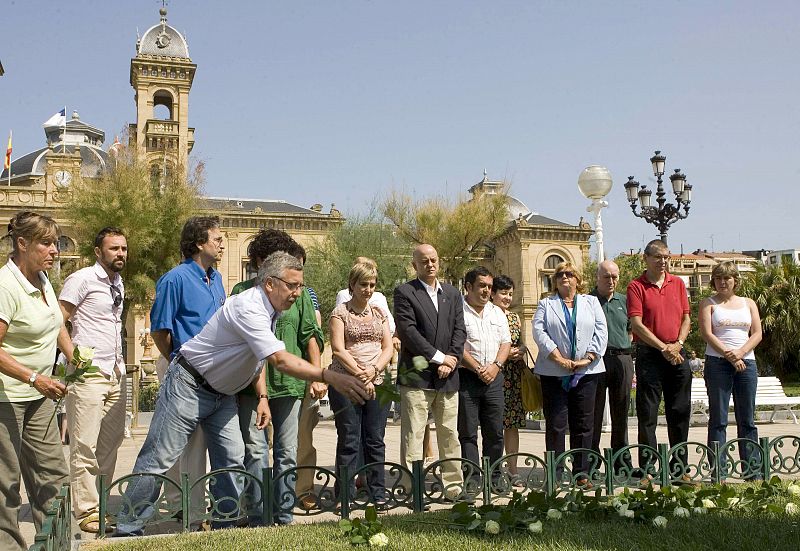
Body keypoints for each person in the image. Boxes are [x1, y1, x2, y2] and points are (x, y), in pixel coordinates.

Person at [116, 252, 370, 536]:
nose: (298, 293)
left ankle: (225, 524)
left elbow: (254, 358)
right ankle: (128, 525)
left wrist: (262, 397)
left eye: (300, 286)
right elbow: (279, 359)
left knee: (233, 457)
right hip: (188, 384)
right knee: (159, 456)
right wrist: (328, 375)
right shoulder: (249, 307)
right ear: (270, 284)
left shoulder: (272, 310)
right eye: (292, 285)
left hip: (222, 394)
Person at [230, 229, 323, 525]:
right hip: (252, 388)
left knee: (287, 452)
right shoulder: (241, 292)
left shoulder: (300, 294)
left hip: (290, 386)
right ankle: (257, 513)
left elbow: (310, 335)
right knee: (256, 451)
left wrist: (316, 376)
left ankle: (283, 514)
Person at [0, 211, 72, 550]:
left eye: (56, 243)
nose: (54, 250)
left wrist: (74, 355)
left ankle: (58, 545)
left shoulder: (43, 280)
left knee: (54, 477)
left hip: (39, 397)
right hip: (7, 399)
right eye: (46, 243)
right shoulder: (5, 285)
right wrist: (33, 378)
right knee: (6, 484)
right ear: (22, 243)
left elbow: (55, 323)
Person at [149, 216, 226, 517]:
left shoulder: (217, 279)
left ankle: (193, 507)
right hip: (182, 368)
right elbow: (159, 331)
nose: (222, 243)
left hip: (213, 373)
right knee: (180, 441)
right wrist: (178, 365)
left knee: (199, 444)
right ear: (199, 243)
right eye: (217, 239)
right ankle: (187, 510)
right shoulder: (174, 279)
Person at [59, 227, 128, 533]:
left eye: (123, 249)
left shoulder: (118, 283)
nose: (120, 254)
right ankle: (86, 510)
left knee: (110, 444)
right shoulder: (82, 278)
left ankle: (99, 505)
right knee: (84, 445)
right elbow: (57, 319)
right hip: (88, 374)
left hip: (115, 373)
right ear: (98, 252)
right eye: (114, 249)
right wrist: (73, 356)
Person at [394, 244, 466, 496]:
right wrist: (439, 359)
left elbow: (460, 330)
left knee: (449, 435)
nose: (430, 265)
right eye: (424, 261)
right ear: (415, 265)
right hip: (417, 376)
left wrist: (453, 360)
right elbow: (408, 332)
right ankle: (411, 489)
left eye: (434, 259)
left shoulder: (452, 293)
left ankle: (453, 488)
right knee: (413, 435)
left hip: (449, 379)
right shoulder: (405, 292)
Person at [532, 261, 607, 487]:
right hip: (554, 372)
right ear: (555, 281)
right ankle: (555, 472)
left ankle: (581, 472)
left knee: (584, 423)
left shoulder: (591, 302)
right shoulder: (546, 304)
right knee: (556, 423)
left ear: (577, 279)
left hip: (587, 372)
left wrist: (587, 359)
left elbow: (601, 332)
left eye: (569, 274)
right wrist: (559, 358)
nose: (565, 277)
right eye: (560, 274)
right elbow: (539, 332)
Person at [328, 259, 394, 502]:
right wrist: (360, 373)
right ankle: (345, 495)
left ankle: (378, 493)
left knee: (375, 439)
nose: (368, 290)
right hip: (347, 382)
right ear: (352, 285)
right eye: (363, 284)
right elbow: (338, 349)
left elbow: (388, 347)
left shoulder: (379, 313)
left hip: (378, 382)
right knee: (349, 438)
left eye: (372, 285)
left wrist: (374, 370)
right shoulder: (340, 313)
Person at [627, 239, 692, 485]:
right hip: (650, 355)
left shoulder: (677, 284)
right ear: (646, 258)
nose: (663, 261)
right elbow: (637, 325)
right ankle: (647, 470)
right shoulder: (636, 286)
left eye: (666, 257)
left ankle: (680, 468)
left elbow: (687, 318)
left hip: (677, 353)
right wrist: (663, 347)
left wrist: (678, 345)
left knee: (679, 412)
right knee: (648, 414)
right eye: (658, 257)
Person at [698, 261, 762, 478]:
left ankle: (753, 471)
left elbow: (757, 334)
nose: (722, 282)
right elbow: (707, 333)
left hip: (747, 363)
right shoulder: (708, 304)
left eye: (727, 278)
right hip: (718, 364)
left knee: (748, 419)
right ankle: (719, 472)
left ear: (735, 280)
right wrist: (729, 354)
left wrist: (741, 352)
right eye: (718, 278)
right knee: (719, 418)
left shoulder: (748, 303)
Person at [458, 267, 511, 484]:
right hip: (467, 378)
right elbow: (456, 345)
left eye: (489, 287)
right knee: (468, 433)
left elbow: (506, 342)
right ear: (468, 287)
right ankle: (472, 480)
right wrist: (478, 368)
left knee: (495, 432)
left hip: (494, 378)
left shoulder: (496, 312)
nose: (486, 291)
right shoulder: (457, 311)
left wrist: (496, 366)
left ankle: (495, 478)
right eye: (482, 286)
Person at [589, 260, 634, 473]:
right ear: (597, 277)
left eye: (614, 276)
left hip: (622, 359)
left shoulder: (624, 301)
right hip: (596, 360)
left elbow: (631, 329)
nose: (611, 281)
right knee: (593, 412)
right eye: (606, 276)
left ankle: (621, 462)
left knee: (621, 412)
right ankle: (591, 462)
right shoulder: (587, 301)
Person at [490, 275, 527, 484]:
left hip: (513, 376)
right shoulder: (487, 315)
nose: (507, 297)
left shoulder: (514, 317)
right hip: (494, 374)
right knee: (493, 425)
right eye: (503, 293)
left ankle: (513, 471)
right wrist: (503, 354)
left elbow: (522, 342)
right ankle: (493, 470)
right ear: (493, 294)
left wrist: (520, 350)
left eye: (510, 294)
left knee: (511, 425)